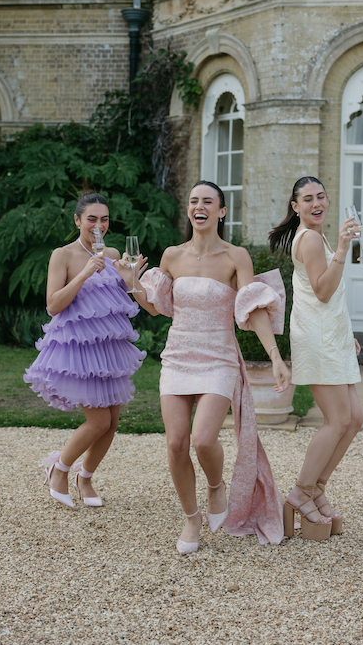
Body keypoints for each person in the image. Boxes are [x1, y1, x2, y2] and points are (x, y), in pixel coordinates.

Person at [128, 181, 291, 554]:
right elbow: (156, 306)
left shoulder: (236, 257)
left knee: (202, 440)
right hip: (178, 355)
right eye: (193, 201)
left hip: (218, 357)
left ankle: (216, 486)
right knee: (175, 443)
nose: (198, 206)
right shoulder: (172, 255)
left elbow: (252, 309)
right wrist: (132, 281)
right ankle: (191, 517)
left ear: (221, 211)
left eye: (207, 201)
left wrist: (276, 357)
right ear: (189, 210)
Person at [24, 192, 146, 508]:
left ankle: (86, 477)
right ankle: (60, 468)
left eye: (104, 219)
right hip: (78, 349)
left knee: (112, 422)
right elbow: (53, 305)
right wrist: (85, 272)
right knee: (99, 422)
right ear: (77, 220)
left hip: (109, 349)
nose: (98, 225)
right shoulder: (62, 255)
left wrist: (131, 276)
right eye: (91, 219)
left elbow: (128, 297)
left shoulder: (114, 253)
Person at [269, 176, 363, 541]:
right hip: (317, 339)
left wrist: (346, 333)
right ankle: (301, 492)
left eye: (321, 196)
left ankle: (317, 489)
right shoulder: (309, 238)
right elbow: (323, 291)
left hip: (332, 335)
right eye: (307, 199)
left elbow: (326, 295)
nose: (316, 203)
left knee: (354, 419)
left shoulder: (315, 236)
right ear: (296, 207)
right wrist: (342, 248)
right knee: (337, 420)